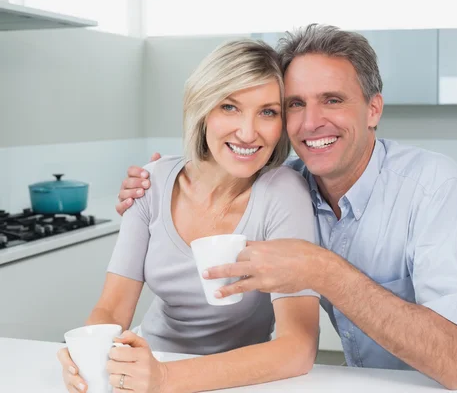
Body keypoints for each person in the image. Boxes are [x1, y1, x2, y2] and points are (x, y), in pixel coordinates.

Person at [117, 24, 457, 390]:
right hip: (371, 383)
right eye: (294, 105)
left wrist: (322, 270)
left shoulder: (433, 186)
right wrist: (159, 178)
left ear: (373, 109)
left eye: (332, 100)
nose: (311, 123)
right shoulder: (287, 188)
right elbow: (219, 166)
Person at [58, 39, 320, 393]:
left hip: (238, 380)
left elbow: (297, 350)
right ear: (202, 109)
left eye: (268, 112)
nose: (247, 132)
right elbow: (111, 310)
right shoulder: (151, 183)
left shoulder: (283, 193)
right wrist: (87, 351)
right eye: (229, 107)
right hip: (147, 367)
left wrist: (166, 380)